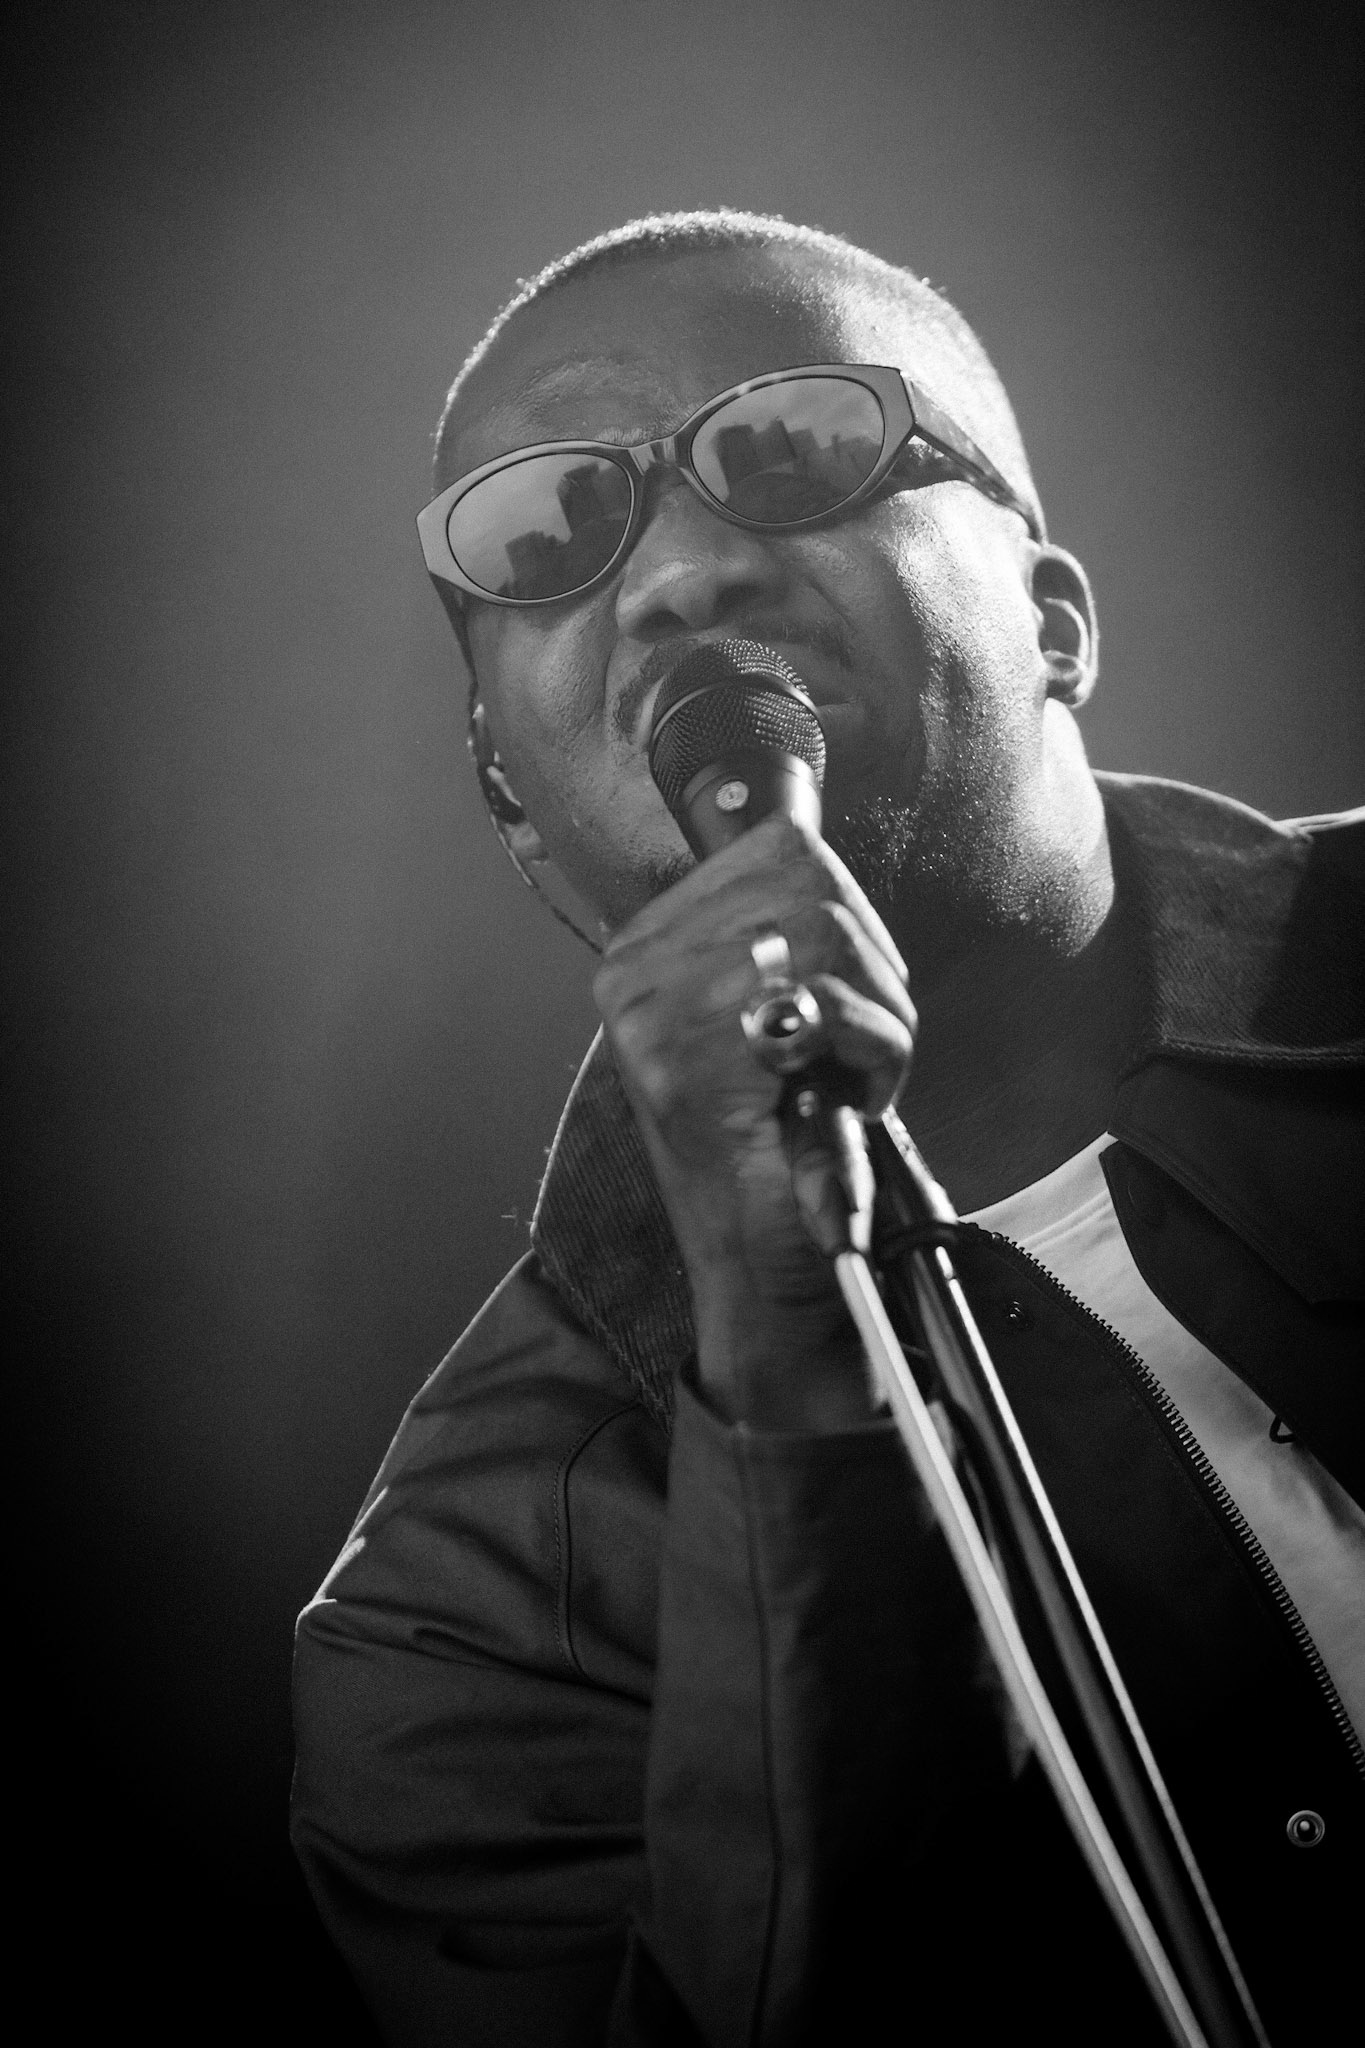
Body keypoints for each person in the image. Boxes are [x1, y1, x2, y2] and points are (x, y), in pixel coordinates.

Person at [290, 211, 1364, 2047]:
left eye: (789, 450)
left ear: (1049, 613)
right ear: (514, 799)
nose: (685, 574)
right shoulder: (467, 1611)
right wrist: (783, 1320)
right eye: (549, 534)